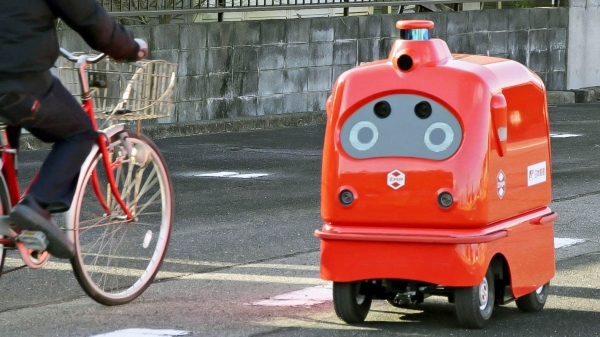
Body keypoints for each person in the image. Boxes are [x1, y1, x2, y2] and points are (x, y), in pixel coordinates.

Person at [0, 0, 148, 259]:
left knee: (10, 121)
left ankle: (14, 214)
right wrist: (131, 48)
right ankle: (35, 207)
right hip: (17, 78)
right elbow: (91, 19)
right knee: (81, 133)